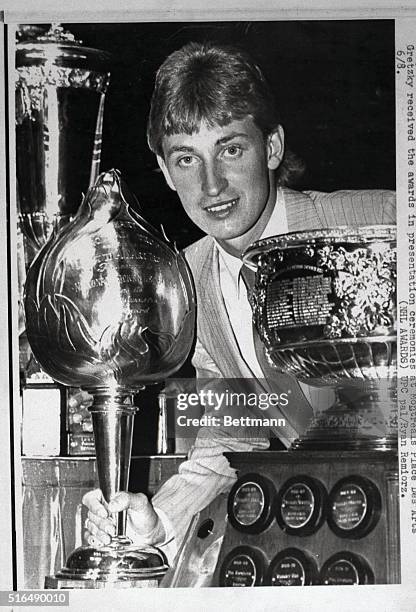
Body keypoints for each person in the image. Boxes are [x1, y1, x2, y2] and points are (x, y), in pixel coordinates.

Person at [83, 41, 395, 562]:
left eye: (230, 149)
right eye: (187, 158)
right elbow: (232, 437)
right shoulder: (188, 281)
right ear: (163, 169)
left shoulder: (382, 218)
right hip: (342, 534)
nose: (211, 184)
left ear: (271, 147)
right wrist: (158, 521)